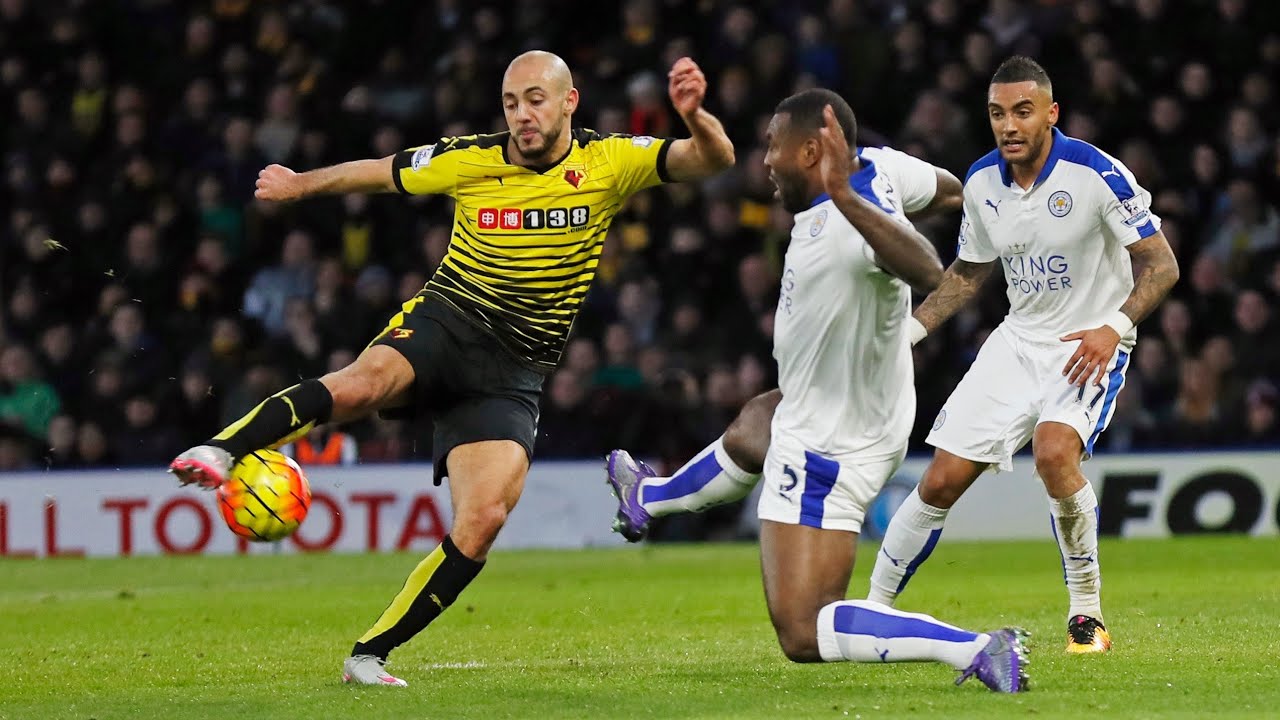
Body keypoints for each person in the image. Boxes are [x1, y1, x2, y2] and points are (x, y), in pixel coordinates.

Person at [168, 50, 736, 686]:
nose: (522, 114)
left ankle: (368, 655)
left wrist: (696, 117)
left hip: (515, 370)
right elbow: (380, 172)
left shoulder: (609, 162)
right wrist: (300, 184)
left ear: (570, 102)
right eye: (512, 103)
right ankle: (221, 451)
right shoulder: (471, 159)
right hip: (448, 322)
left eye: (536, 100)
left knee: (484, 518)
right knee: (361, 385)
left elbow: (711, 160)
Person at [609, 89, 1028, 692]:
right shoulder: (881, 166)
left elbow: (926, 270)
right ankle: (648, 497)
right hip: (864, 406)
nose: (766, 162)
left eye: (774, 147)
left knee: (803, 630)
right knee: (760, 418)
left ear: (811, 151)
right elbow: (953, 191)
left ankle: (975, 649)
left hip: (826, 444)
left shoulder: (847, 219)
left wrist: (846, 198)